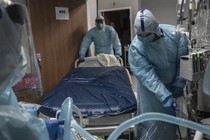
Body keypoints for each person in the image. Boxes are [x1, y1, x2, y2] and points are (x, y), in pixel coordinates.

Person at [128, 9, 189, 140]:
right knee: (151, 124)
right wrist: (164, 95)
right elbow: (147, 75)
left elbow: (182, 60)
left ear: (155, 28)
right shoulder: (136, 48)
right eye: (141, 35)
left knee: (170, 124)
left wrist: (179, 82)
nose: (144, 38)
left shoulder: (176, 35)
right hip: (149, 92)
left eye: (147, 34)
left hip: (172, 85)